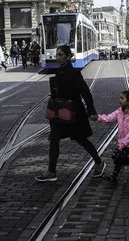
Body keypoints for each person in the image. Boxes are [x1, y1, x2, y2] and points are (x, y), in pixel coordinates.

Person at [36, 45, 105, 182]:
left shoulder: (74, 73)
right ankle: (51, 172)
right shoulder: (59, 72)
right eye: (57, 55)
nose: (58, 58)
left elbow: (85, 93)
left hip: (74, 113)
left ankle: (99, 162)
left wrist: (91, 110)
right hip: (60, 113)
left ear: (68, 56)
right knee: (54, 139)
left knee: (81, 139)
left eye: (61, 55)